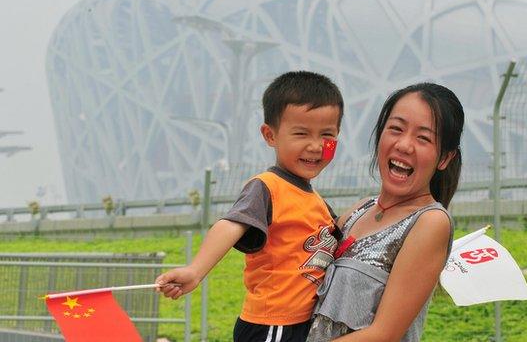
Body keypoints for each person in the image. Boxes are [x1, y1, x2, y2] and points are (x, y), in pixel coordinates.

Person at [156, 71, 344, 342]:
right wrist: (195, 271)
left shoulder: (315, 200)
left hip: (299, 323)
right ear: (270, 135)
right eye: (301, 133)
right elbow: (231, 224)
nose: (315, 146)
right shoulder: (267, 187)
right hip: (273, 325)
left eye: (327, 134)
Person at [306, 83, 464, 342]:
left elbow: (384, 334)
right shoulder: (359, 210)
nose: (404, 145)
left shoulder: (430, 222)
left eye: (423, 138)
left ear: (445, 158)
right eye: (396, 129)